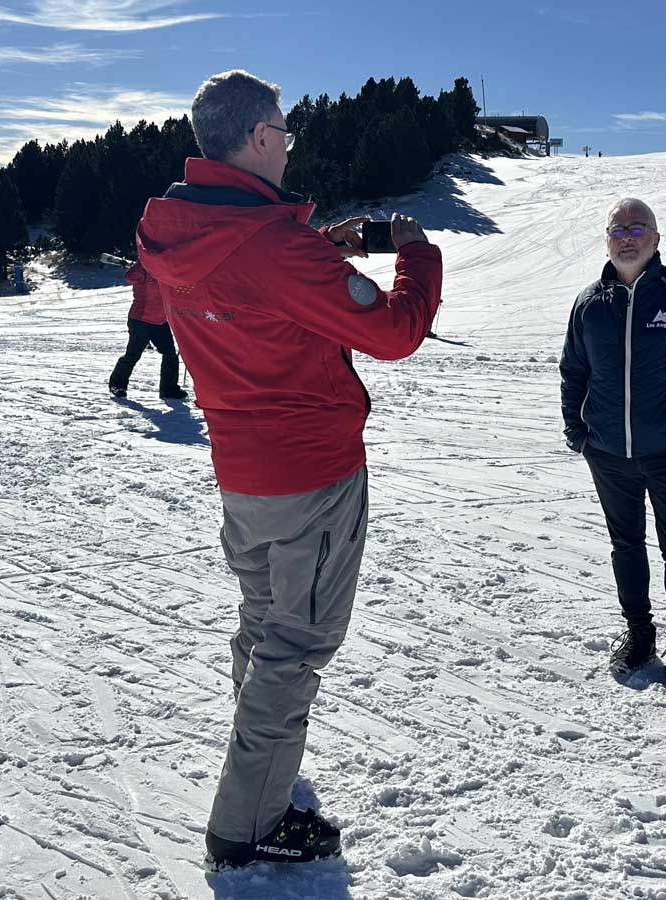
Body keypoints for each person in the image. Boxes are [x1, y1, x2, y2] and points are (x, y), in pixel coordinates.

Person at [135, 70, 443, 869]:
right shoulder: (273, 247)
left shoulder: (179, 229)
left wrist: (316, 250)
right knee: (297, 643)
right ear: (262, 137)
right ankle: (246, 824)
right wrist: (416, 254)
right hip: (312, 473)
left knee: (265, 617)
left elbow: (254, 293)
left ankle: (262, 768)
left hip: (243, 470)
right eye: (286, 133)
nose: (288, 146)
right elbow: (396, 332)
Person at [560, 198, 666, 693]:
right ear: (607, 239)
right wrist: (578, 429)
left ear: (657, 238)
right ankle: (639, 634)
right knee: (625, 545)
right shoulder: (589, 302)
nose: (628, 237)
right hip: (608, 453)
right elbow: (574, 370)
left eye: (638, 228)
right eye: (618, 229)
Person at [108, 259, 187, 400]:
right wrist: (143, 264)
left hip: (160, 321)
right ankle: (117, 385)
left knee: (170, 354)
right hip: (140, 320)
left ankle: (169, 389)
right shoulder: (141, 270)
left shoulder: (166, 274)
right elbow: (129, 276)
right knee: (132, 355)